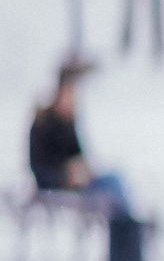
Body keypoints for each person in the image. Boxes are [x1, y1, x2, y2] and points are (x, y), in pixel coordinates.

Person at [26, 57, 133, 216]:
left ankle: (129, 226)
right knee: (112, 188)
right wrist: (65, 175)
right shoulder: (44, 123)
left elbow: (79, 156)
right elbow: (39, 167)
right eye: (68, 94)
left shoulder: (68, 123)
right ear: (59, 94)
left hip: (79, 184)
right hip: (56, 187)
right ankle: (128, 229)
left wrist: (83, 169)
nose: (72, 100)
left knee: (115, 179)